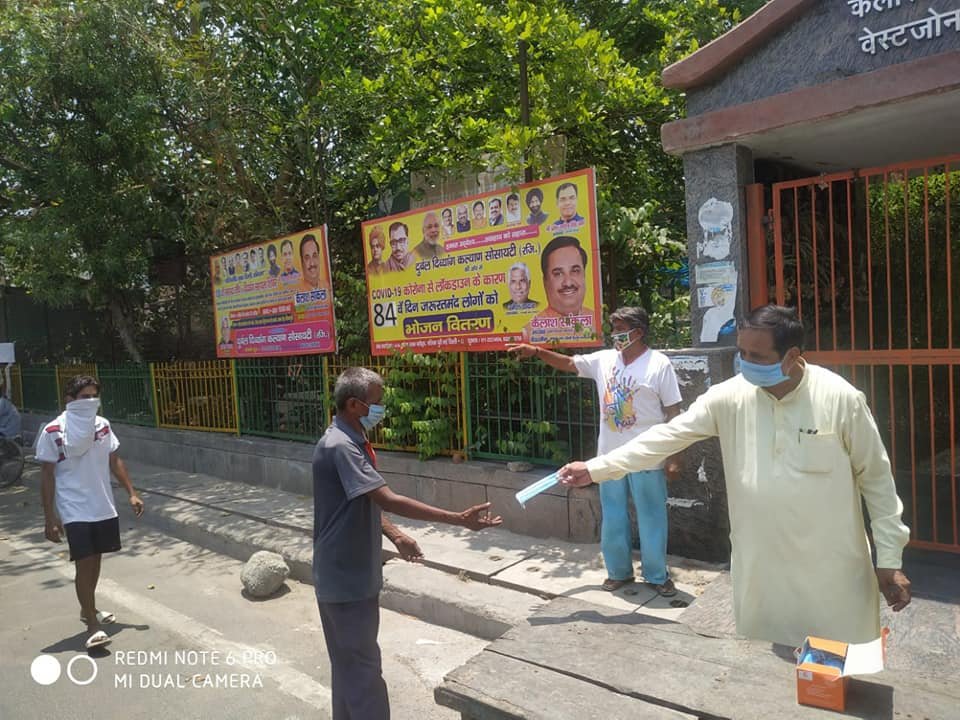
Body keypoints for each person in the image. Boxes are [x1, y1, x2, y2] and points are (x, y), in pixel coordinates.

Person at [559, 305, 913, 647]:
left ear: (792, 356)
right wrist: (596, 468)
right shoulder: (729, 397)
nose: (745, 364)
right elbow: (664, 437)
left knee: (835, 673)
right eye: (741, 353)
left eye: (757, 357)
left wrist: (890, 558)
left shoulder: (840, 399)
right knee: (764, 672)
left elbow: (877, 479)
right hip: (762, 566)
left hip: (831, 564)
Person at [313, 367, 502, 720]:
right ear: (354, 405)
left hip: (346, 574)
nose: (382, 409)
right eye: (377, 403)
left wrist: (395, 535)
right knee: (363, 673)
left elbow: (361, 499)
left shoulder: (349, 439)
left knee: (349, 669)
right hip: (346, 578)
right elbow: (387, 499)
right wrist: (459, 519)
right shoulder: (341, 447)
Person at [508, 307, 682, 595]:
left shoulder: (659, 364)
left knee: (652, 516)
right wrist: (537, 351)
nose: (614, 334)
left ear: (637, 332)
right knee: (613, 515)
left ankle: (656, 575)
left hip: (648, 456)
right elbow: (568, 363)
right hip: (608, 458)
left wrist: (675, 457)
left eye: (620, 328)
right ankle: (619, 572)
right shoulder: (604, 360)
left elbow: (675, 413)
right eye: (613, 328)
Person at [37, 375, 144, 650]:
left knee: (95, 561)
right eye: (84, 397)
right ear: (69, 400)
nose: (90, 402)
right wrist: (50, 517)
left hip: (102, 503)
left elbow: (114, 459)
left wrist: (131, 492)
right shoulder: (52, 431)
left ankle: (88, 609)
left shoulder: (102, 426)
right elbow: (47, 475)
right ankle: (93, 627)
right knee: (84, 563)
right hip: (74, 507)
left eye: (94, 396)